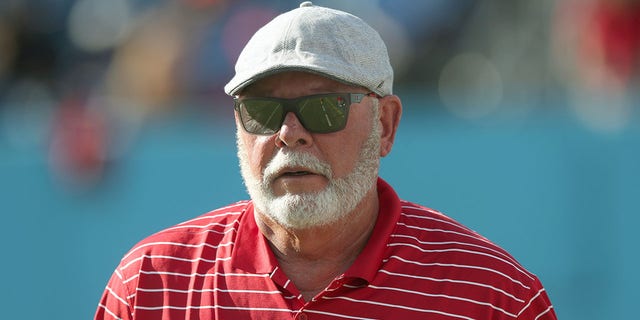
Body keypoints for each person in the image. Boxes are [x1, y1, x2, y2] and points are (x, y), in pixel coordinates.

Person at [95, 2, 557, 319]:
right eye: (262, 110)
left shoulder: (492, 296)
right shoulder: (153, 284)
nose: (289, 133)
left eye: (323, 108)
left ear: (386, 125)